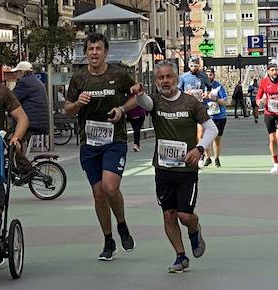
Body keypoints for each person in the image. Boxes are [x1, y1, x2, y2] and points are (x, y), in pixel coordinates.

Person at [64, 33, 140, 261]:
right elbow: (68, 109)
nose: (94, 53)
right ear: (85, 53)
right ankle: (108, 240)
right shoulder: (78, 79)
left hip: (114, 140)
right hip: (89, 143)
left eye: (98, 48)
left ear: (106, 52)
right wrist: (78, 103)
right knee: (98, 194)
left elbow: (135, 96)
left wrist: (122, 110)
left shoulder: (118, 74)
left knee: (110, 187)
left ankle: (122, 224)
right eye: (90, 49)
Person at [136, 61, 216, 273]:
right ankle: (181, 256)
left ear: (176, 78)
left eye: (169, 77)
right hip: (163, 169)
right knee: (168, 214)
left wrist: (198, 149)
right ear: (156, 81)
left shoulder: (190, 103)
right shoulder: (154, 101)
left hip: (186, 170)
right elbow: (144, 102)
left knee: (184, 215)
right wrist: (138, 94)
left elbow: (211, 129)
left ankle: (194, 228)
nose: (165, 81)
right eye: (160, 77)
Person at [11, 61, 50, 152]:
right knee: (17, 143)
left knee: (13, 143)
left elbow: (11, 98)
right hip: (38, 121)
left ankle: (22, 165)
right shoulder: (34, 80)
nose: (15, 74)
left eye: (17, 72)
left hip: (31, 122)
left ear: (23, 72)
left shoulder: (25, 83)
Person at [201, 67, 230, 167]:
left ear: (213, 75)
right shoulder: (201, 86)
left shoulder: (218, 87)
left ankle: (217, 158)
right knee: (203, 138)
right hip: (205, 116)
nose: (208, 76)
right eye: (206, 74)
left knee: (216, 139)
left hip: (219, 116)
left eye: (210, 74)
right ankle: (207, 157)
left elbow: (225, 102)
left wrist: (214, 98)